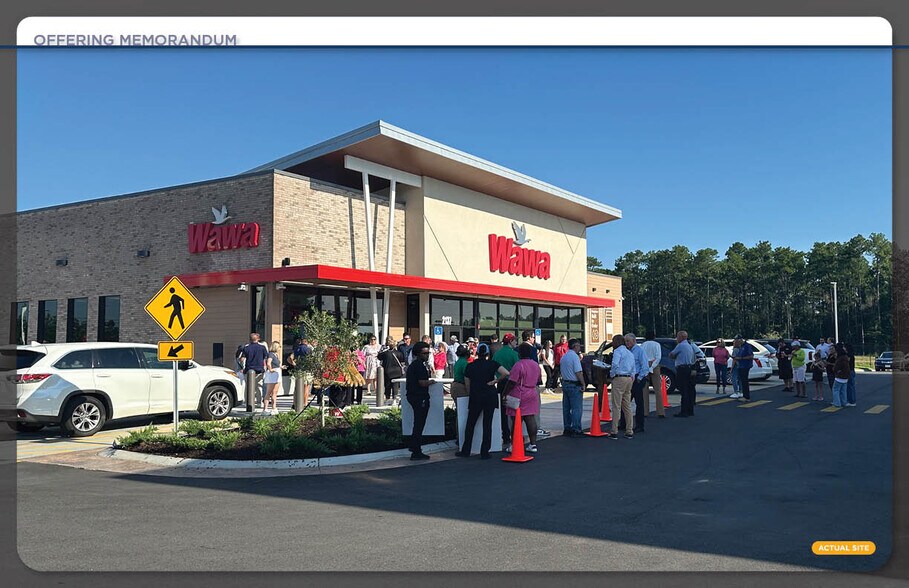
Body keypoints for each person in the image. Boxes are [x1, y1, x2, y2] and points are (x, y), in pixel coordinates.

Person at [457, 343, 509, 459]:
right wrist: (494, 382)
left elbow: (467, 383)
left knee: (470, 424)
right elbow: (506, 373)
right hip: (490, 396)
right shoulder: (492, 364)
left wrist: (470, 393)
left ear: (477, 353)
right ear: (487, 354)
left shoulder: (470, 366)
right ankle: (485, 451)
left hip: (476, 396)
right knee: (487, 424)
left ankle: (466, 450)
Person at [501, 343, 543, 452]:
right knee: (530, 418)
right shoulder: (535, 365)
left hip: (520, 393)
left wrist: (505, 393)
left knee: (516, 420)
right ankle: (533, 444)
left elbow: (512, 382)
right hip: (532, 391)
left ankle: (514, 444)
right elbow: (539, 380)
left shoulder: (518, 365)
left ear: (519, 353)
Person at [405, 342, 433, 460]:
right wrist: (431, 382)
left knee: (418, 423)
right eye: (424, 353)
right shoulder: (419, 366)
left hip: (414, 396)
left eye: (428, 353)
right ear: (418, 354)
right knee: (419, 424)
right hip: (419, 397)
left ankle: (414, 446)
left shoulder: (415, 365)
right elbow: (422, 382)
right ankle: (416, 451)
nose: (427, 355)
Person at [493, 333, 520, 446]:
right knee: (514, 410)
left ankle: (505, 436)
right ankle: (515, 435)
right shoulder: (514, 354)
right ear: (510, 342)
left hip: (500, 383)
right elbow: (518, 369)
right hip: (512, 384)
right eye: (515, 340)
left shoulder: (497, 354)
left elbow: (493, 368)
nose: (516, 342)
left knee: (503, 411)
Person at [608, 334, 635, 438]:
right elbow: (633, 367)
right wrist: (632, 377)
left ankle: (614, 431)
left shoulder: (618, 351)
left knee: (616, 406)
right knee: (627, 406)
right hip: (629, 378)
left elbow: (615, 364)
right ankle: (629, 430)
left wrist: (612, 374)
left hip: (619, 378)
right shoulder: (630, 353)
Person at [560, 338, 586, 437]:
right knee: (576, 408)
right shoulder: (575, 357)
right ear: (575, 346)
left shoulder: (564, 357)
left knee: (566, 408)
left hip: (565, 383)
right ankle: (576, 429)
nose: (580, 347)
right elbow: (578, 372)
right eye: (579, 345)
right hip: (574, 384)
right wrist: (583, 383)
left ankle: (567, 427)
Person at [668, 330, 697, 417]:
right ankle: (690, 410)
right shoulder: (689, 345)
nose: (676, 338)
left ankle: (683, 411)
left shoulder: (680, 345)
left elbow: (671, 354)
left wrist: (673, 356)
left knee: (683, 390)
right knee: (689, 390)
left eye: (677, 336)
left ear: (681, 337)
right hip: (689, 368)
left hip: (682, 370)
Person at [241, 333, 268, 407]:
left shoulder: (246, 348)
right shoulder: (262, 347)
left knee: (248, 386)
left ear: (250, 339)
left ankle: (248, 402)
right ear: (258, 339)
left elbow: (242, 359)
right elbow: (266, 357)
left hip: (249, 369)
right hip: (259, 369)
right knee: (259, 386)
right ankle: (259, 402)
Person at [641, 331, 664, 418]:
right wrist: (652, 366)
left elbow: (641, 357)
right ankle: (660, 412)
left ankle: (645, 411)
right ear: (654, 337)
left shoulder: (643, 345)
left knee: (644, 390)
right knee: (658, 390)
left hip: (645, 366)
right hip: (655, 366)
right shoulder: (657, 344)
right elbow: (658, 357)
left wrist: (646, 366)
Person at [377, 337, 406, 403]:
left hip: (388, 371)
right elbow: (402, 360)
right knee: (395, 386)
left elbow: (379, 357)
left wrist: (382, 350)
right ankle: (394, 399)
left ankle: (387, 398)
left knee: (387, 386)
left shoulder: (385, 353)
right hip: (397, 372)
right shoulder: (399, 353)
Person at [262, 341, 283, 415]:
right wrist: (270, 370)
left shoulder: (276, 355)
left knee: (275, 392)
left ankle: (274, 408)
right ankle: (265, 409)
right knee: (269, 392)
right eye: (279, 347)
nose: (280, 348)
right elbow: (268, 363)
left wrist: (281, 367)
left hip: (277, 373)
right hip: (272, 374)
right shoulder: (271, 354)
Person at [733, 336, 755, 402]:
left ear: (740, 340)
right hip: (741, 365)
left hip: (745, 365)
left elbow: (751, 356)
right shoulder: (741, 346)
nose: (736, 342)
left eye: (737, 341)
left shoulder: (747, 346)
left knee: (745, 381)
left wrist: (741, 358)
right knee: (743, 381)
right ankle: (745, 395)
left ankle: (746, 397)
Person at [449, 344, 471, 409]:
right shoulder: (465, 363)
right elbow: (466, 379)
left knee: (458, 410)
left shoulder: (458, 362)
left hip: (454, 386)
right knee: (463, 410)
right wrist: (469, 392)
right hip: (461, 388)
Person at [362, 335, 381, 400]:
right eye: (372, 339)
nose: (373, 340)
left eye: (374, 339)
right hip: (369, 362)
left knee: (376, 376)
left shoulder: (379, 346)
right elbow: (363, 355)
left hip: (376, 362)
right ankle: (368, 390)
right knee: (369, 376)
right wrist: (363, 363)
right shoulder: (366, 347)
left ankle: (376, 390)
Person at [832, 343, 850, 408]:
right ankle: (844, 402)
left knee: (835, 390)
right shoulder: (846, 357)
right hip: (846, 376)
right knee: (843, 391)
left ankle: (837, 403)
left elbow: (836, 368)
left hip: (839, 376)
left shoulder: (839, 359)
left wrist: (835, 370)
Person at [845, 342, 857, 407]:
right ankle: (851, 400)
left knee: (850, 386)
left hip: (850, 370)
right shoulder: (851, 354)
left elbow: (847, 361)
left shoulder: (849, 355)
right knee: (850, 386)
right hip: (851, 370)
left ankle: (852, 401)